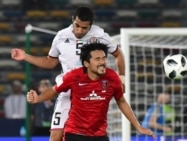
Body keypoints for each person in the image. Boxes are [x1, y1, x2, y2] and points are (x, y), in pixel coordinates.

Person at [11, 6, 125, 141]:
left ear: (91, 26)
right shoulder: (61, 36)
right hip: (67, 90)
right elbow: (50, 62)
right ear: (72, 20)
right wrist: (25, 57)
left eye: (84, 28)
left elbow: (119, 54)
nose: (79, 30)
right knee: (55, 137)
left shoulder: (100, 35)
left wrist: (121, 78)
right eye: (77, 25)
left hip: (90, 92)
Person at [26, 43, 155, 141]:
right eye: (97, 59)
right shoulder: (73, 76)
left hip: (100, 135)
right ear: (86, 63)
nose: (102, 62)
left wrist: (138, 126)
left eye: (104, 58)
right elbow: (54, 90)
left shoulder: (112, 77)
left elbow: (121, 101)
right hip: (75, 134)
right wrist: (37, 99)